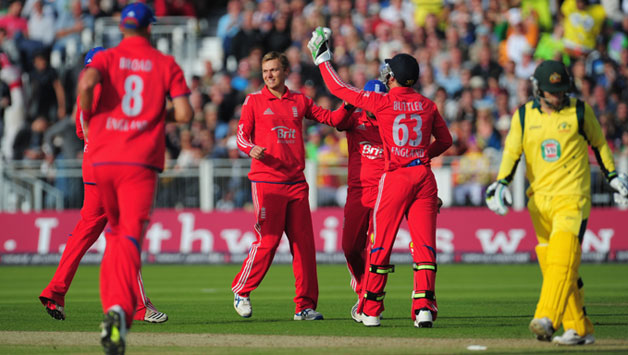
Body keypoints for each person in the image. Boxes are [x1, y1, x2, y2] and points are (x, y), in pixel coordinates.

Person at [308, 27, 453, 327]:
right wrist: (424, 155)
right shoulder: (428, 105)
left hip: (397, 176)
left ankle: (371, 309)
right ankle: (424, 308)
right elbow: (447, 140)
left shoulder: (383, 102)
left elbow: (340, 90)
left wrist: (323, 59)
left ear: (393, 77)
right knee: (424, 246)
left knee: (381, 244)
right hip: (424, 176)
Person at [485, 60, 628, 345]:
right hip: (539, 201)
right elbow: (512, 152)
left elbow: (599, 144)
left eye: (561, 90)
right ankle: (579, 328)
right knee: (556, 265)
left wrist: (612, 175)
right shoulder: (524, 116)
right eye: (552, 91)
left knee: (563, 258)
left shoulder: (579, 110)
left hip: (572, 197)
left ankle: (546, 318)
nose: (557, 96)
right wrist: (500, 183)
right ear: (538, 89)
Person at [77, 3, 192, 354]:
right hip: (138, 162)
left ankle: (113, 307)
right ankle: (118, 310)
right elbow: (185, 113)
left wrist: (91, 114)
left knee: (113, 234)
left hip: (103, 160)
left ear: (122, 26)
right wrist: (158, 110)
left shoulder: (106, 57)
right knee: (128, 236)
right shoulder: (164, 63)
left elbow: (86, 84)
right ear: (150, 28)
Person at [39, 47, 168, 325]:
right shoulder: (113, 90)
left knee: (82, 235)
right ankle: (139, 307)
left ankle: (54, 292)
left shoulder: (84, 92)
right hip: (113, 168)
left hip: (91, 168)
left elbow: (80, 131)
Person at [231, 50, 353, 321]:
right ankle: (242, 290)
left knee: (304, 246)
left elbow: (332, 120)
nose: (269, 75)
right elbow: (240, 136)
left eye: (274, 70)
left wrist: (350, 104)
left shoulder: (299, 100)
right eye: (265, 71)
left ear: (286, 72)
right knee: (269, 241)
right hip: (266, 181)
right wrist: (250, 148)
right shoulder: (253, 101)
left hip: (296, 182)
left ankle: (304, 306)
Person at [333, 79, 386, 321]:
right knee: (350, 247)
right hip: (357, 193)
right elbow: (337, 122)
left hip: (385, 194)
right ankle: (362, 284)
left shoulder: (391, 123)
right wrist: (349, 102)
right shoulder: (355, 119)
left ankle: (369, 301)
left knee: (376, 250)